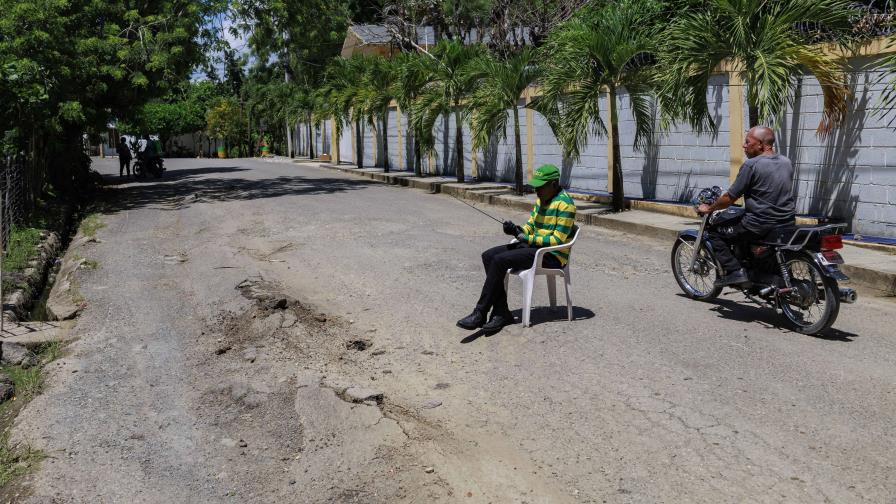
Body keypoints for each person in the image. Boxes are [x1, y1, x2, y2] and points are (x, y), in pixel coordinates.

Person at [457, 164, 577, 334]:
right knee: (489, 256)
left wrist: (527, 238)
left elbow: (557, 240)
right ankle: (500, 312)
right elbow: (530, 226)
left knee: (499, 261)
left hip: (551, 255)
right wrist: (516, 230)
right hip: (533, 248)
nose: (537, 190)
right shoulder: (541, 200)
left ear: (554, 184)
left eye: (540, 186)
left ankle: (480, 312)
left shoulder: (566, 205)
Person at [697, 126, 796, 287]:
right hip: (786, 222)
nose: (744, 146)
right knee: (737, 221)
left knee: (714, 230)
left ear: (761, 145)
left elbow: (729, 198)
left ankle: (736, 272)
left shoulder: (752, 165)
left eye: (747, 142)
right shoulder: (786, 162)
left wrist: (709, 208)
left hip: (758, 225)